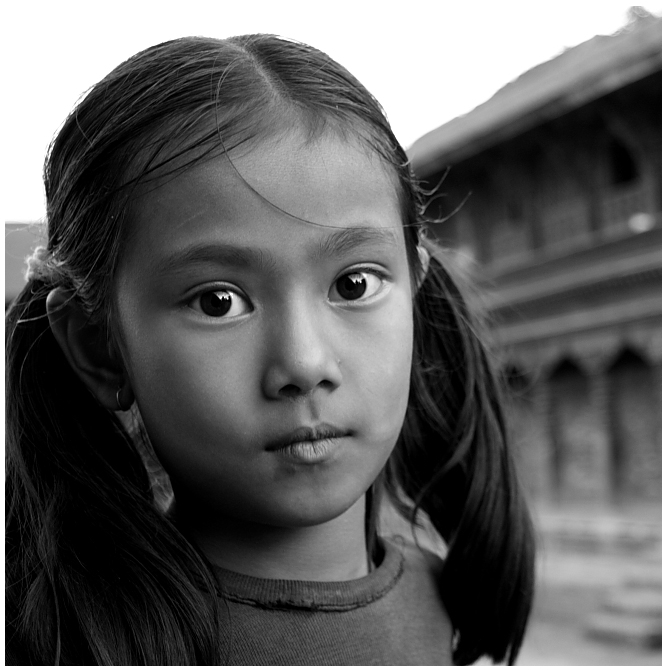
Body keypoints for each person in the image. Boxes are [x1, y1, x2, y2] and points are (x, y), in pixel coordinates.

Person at [6, 34, 535, 665]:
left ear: (413, 293)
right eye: (218, 301)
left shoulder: (451, 609)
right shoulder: (75, 647)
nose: (305, 365)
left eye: (354, 284)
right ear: (100, 348)